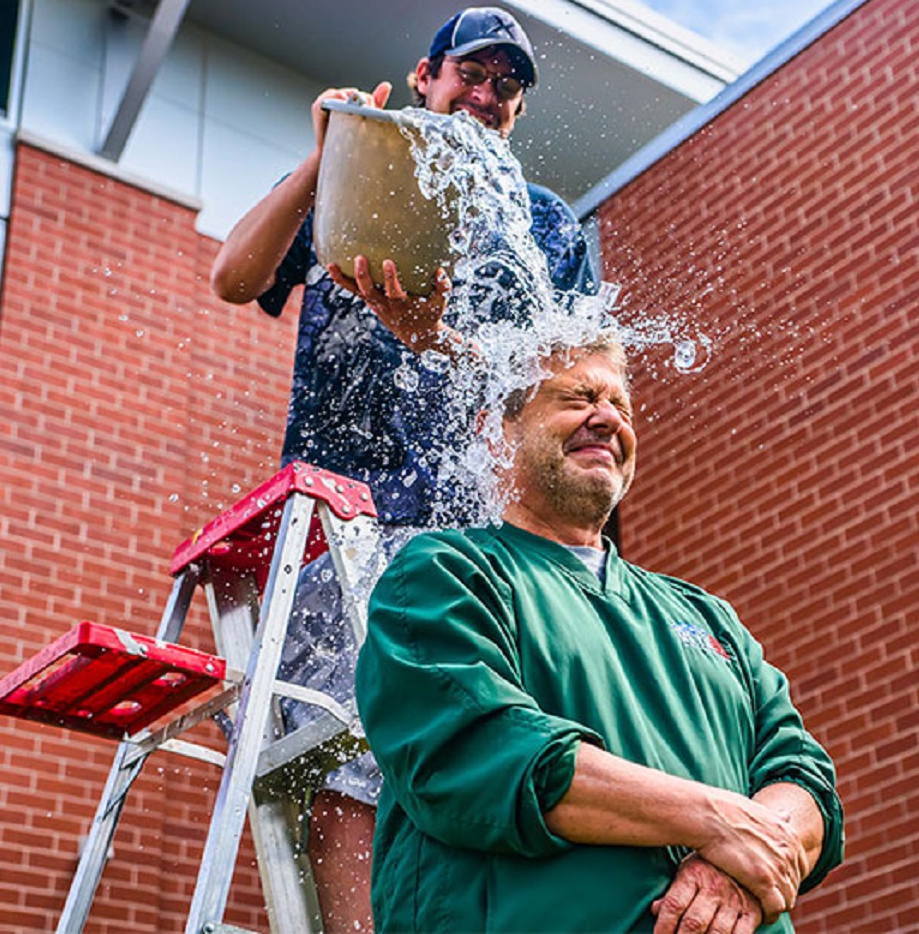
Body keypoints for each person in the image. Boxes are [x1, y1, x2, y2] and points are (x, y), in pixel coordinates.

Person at [209, 6, 598, 931]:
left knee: (477, 751)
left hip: (473, 529)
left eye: (509, 86)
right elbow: (232, 274)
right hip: (341, 516)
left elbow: (566, 378)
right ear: (426, 75)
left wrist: (441, 341)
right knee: (346, 746)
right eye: (473, 73)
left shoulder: (543, 222)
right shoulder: (368, 155)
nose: (488, 95)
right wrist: (320, 156)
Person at [355, 338, 844, 933]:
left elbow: (802, 779)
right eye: (577, 397)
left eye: (621, 406)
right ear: (495, 433)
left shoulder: (709, 616)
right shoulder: (446, 574)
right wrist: (716, 820)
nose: (609, 418)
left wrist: (733, 867)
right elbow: (481, 751)